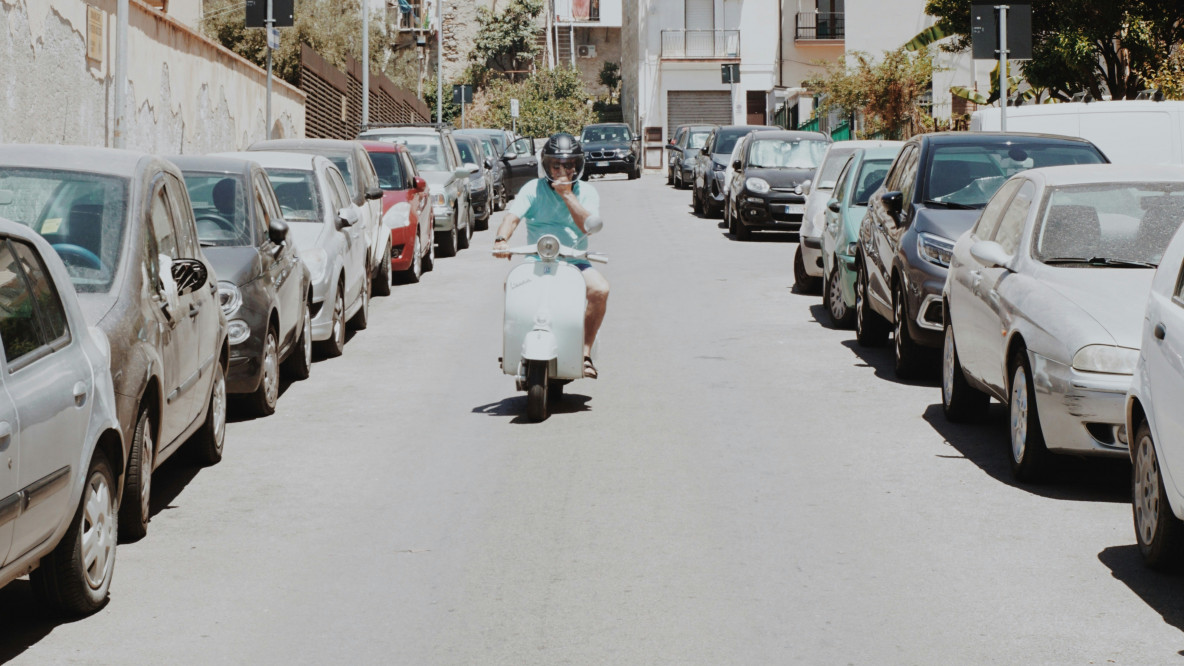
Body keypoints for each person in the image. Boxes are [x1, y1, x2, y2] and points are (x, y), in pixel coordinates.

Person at [492, 132, 609, 379]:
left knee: (600, 289)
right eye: (556, 165)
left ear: (577, 165)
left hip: (575, 261)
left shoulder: (586, 192)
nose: (562, 170)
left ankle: (585, 353)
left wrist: (567, 194)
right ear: (546, 165)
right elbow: (512, 218)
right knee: (509, 285)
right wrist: (502, 240)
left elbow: (586, 225)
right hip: (537, 260)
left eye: (568, 164)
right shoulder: (532, 189)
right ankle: (513, 347)